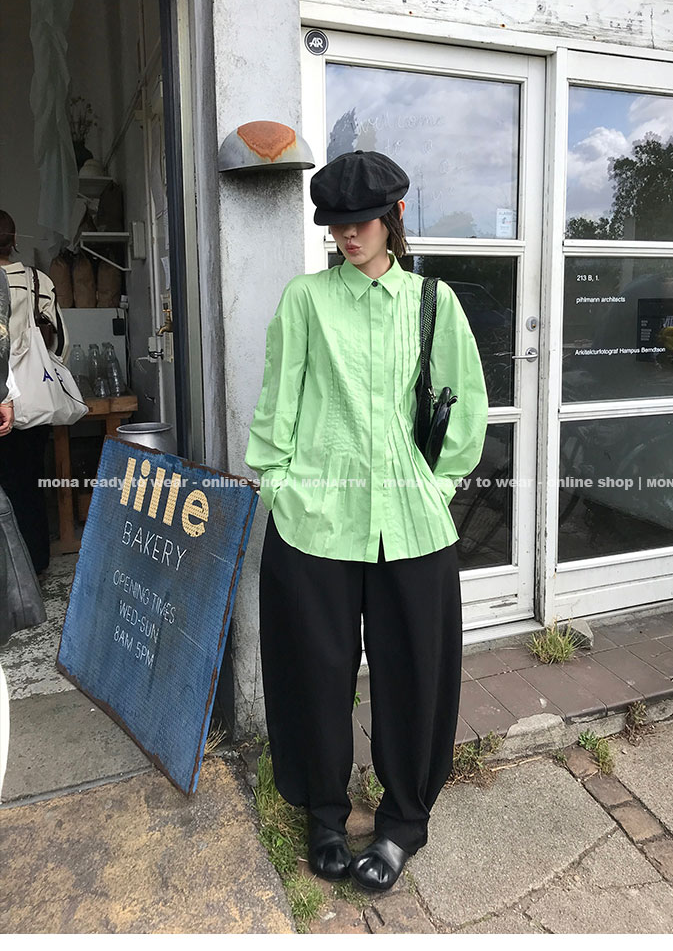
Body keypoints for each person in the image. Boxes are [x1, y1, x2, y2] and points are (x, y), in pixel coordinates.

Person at [245, 151, 489, 892]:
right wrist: (279, 487)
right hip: (314, 521)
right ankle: (324, 814)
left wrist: (436, 490)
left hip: (411, 525)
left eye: (362, 222)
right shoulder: (306, 300)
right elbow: (277, 403)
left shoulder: (432, 302)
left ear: (394, 217)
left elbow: (465, 404)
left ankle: (402, 822)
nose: (348, 235)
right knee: (314, 673)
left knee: (414, 672)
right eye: (336, 224)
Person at [0, 210, 69, 574]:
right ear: (14, 240)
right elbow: (61, 344)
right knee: (28, 484)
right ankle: (35, 564)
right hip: (33, 398)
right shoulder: (37, 280)